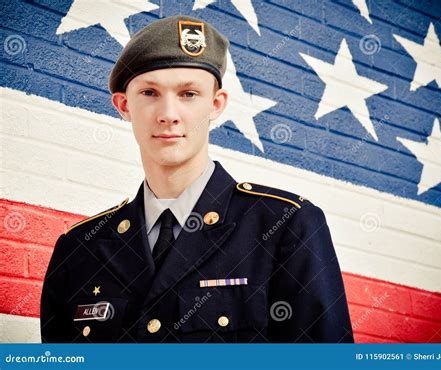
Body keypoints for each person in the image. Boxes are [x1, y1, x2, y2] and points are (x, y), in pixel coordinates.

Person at [41, 15, 353, 343]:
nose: (168, 114)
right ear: (123, 105)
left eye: (188, 94)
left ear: (216, 105)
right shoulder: (79, 249)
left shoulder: (286, 226)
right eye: (149, 92)